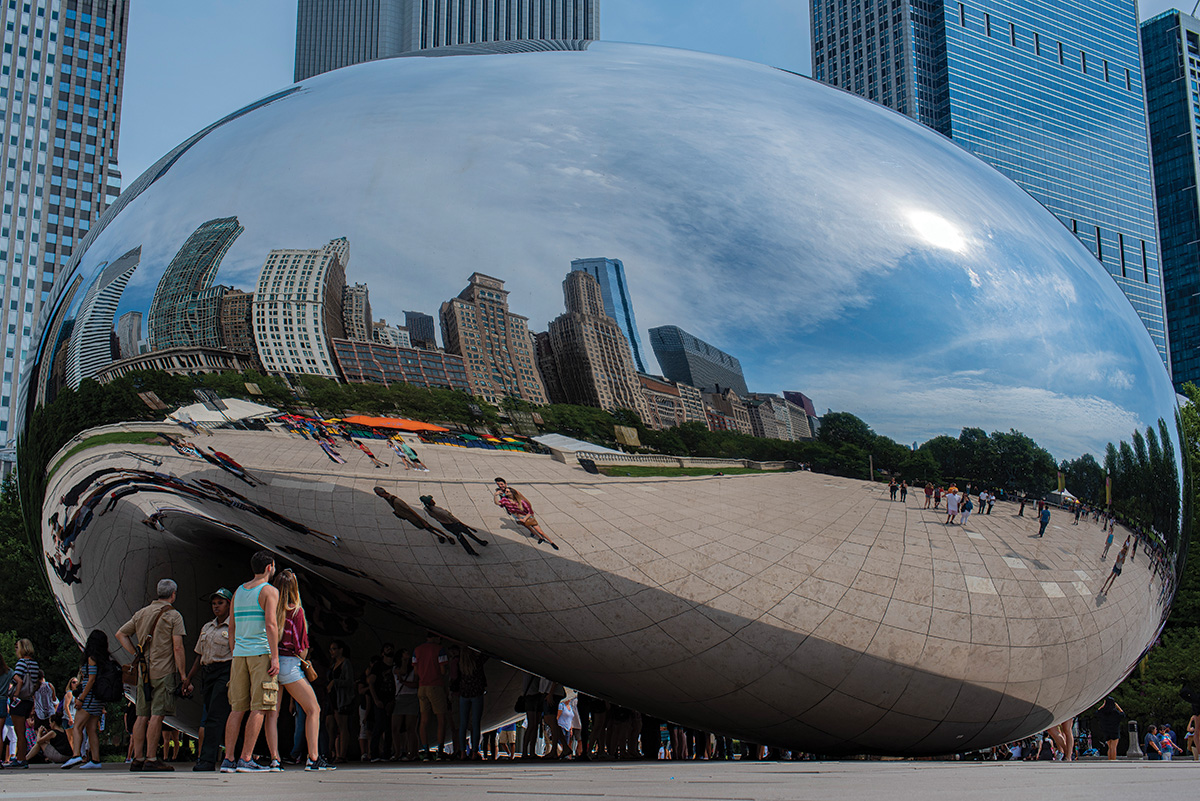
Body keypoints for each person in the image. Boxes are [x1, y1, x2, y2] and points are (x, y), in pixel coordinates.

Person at [115, 579, 186, 772]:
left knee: (141, 715)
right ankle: (152, 758)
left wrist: (135, 653)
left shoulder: (142, 613)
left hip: (143, 672)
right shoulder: (173, 616)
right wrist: (183, 675)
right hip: (164, 671)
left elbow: (120, 634)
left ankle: (137, 757)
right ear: (173, 594)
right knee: (157, 715)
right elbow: (177, 647)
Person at [220, 550, 281, 774]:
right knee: (260, 706)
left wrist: (235, 651)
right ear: (269, 567)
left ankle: (228, 759)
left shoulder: (238, 591)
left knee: (236, 708)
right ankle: (246, 759)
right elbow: (271, 624)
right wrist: (274, 656)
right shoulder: (269, 591)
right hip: (260, 654)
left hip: (240, 655)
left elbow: (232, 626)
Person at [270, 569, 335, 771]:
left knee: (273, 713)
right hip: (290, 664)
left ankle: (274, 759)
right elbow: (301, 646)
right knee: (313, 709)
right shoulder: (296, 611)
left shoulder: (270, 610)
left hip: (271, 664)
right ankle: (313, 758)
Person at [182, 588, 233, 772]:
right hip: (208, 672)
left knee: (214, 717)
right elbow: (199, 655)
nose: (216, 607)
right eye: (214, 603)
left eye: (220, 603)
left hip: (225, 671)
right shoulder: (207, 627)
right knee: (209, 714)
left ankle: (208, 759)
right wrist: (189, 678)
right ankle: (207, 758)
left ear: (229, 604)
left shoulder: (233, 627)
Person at [61, 631, 109, 769]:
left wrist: (81, 698)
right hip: (99, 698)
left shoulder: (92, 658)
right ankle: (95, 759)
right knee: (92, 728)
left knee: (77, 726)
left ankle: (76, 755)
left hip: (89, 697)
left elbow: (91, 679)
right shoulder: (104, 658)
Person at [6, 639, 42, 768]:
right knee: (23, 731)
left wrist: (14, 694)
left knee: (19, 732)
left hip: (19, 700)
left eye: (17, 648)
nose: (16, 650)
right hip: (29, 700)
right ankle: (21, 758)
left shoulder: (21, 663)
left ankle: (21, 759)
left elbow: (18, 679)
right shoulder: (34, 664)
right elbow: (36, 682)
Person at [494, 478, 559, 550]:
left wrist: (530, 511)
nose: (500, 486)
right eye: (498, 484)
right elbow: (501, 502)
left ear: (505, 484)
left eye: (501, 484)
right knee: (527, 526)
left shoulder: (513, 491)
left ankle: (550, 542)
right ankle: (537, 536)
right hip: (515, 513)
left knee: (537, 529)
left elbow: (524, 500)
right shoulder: (499, 492)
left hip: (523, 512)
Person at [412, 632, 449, 760]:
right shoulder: (440, 650)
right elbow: (443, 670)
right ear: (435, 637)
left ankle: (426, 751)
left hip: (422, 686)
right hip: (435, 685)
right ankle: (439, 751)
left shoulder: (417, 650)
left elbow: (416, 671)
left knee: (424, 720)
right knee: (441, 719)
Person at [374, 487, 450, 545]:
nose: (378, 495)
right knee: (427, 529)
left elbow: (411, 510)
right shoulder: (387, 499)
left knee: (430, 526)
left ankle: (447, 536)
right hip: (410, 518)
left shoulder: (396, 501)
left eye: (378, 493)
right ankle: (439, 536)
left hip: (414, 518)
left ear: (383, 492)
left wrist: (422, 521)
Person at [419, 496, 489, 556]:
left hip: (446, 525)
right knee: (468, 533)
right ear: (430, 502)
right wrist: (464, 525)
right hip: (454, 524)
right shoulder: (440, 512)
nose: (433, 500)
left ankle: (471, 550)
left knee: (460, 537)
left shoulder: (427, 509)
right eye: (431, 500)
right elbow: (453, 518)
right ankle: (479, 543)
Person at [325, 640, 354, 762]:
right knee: (330, 725)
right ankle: (331, 752)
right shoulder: (333, 664)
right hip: (332, 698)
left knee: (342, 726)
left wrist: (334, 682)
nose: (332, 651)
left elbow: (349, 681)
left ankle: (341, 754)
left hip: (341, 698)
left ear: (340, 650)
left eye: (334, 649)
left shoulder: (345, 664)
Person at [456, 648, 487, 760]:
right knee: (475, 723)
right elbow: (486, 655)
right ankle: (474, 751)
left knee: (463, 724)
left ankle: (462, 752)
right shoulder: (476, 663)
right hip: (476, 693)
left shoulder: (461, 664)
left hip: (464, 694)